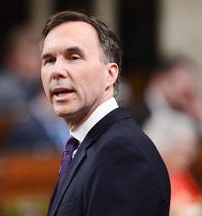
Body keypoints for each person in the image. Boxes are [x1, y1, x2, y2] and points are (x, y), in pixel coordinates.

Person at [40, 10, 171, 216]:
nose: (56, 71)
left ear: (110, 74)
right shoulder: (90, 144)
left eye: (73, 57)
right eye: (49, 60)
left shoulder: (121, 152)